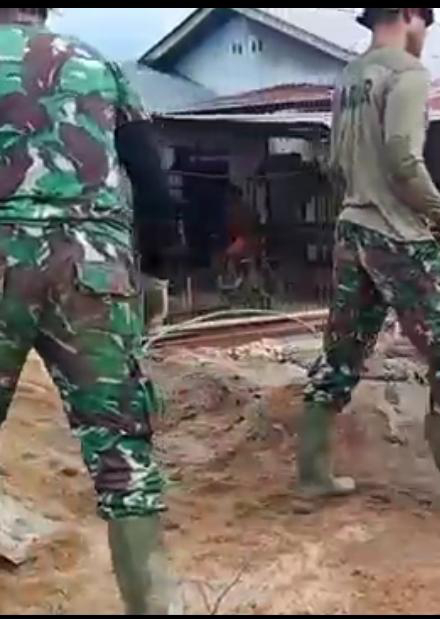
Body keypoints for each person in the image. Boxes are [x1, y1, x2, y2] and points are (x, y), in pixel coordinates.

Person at [300, 8, 440, 519]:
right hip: (396, 236)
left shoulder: (349, 78)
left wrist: (364, 199)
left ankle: (312, 474)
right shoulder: (407, 73)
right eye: (426, 22)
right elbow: (405, 158)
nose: (425, 35)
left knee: (340, 355)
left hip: (351, 229)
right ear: (407, 15)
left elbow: (336, 161)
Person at [0, 7, 178, 613]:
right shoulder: (97, 63)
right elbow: (152, 177)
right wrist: (155, 271)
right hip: (94, 270)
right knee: (123, 455)